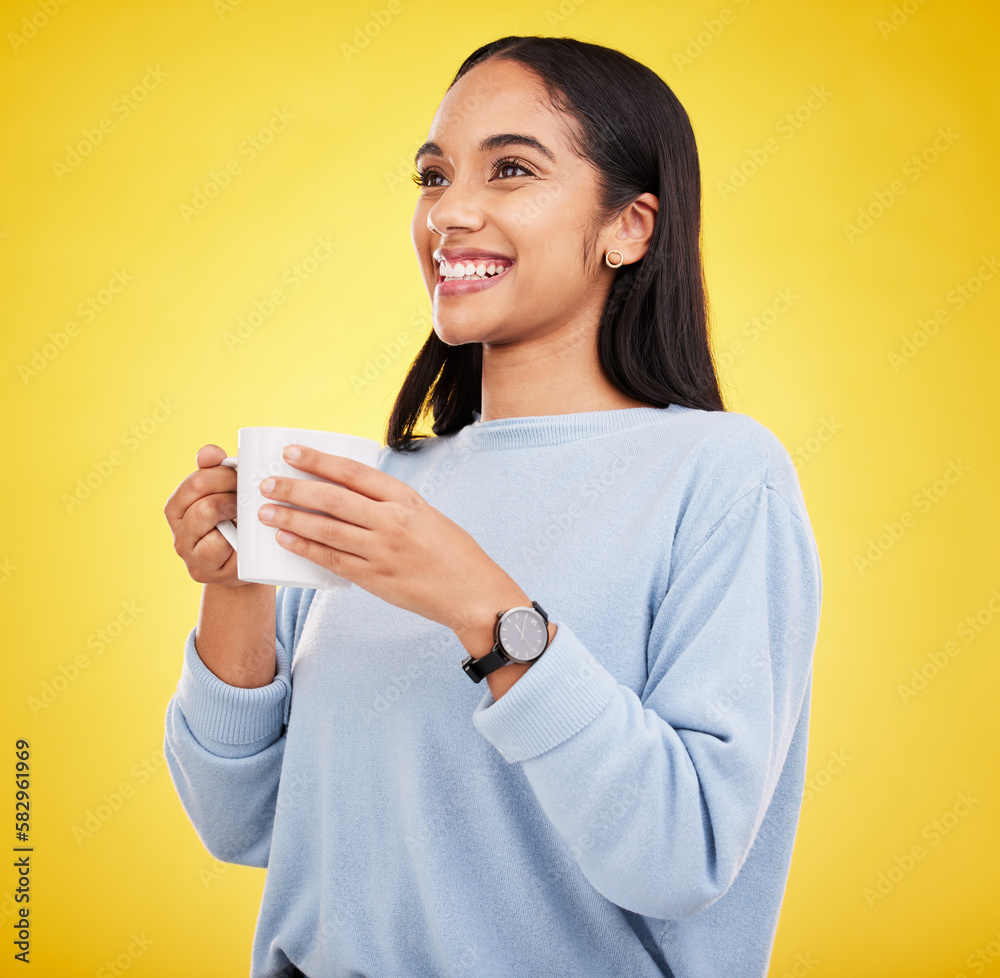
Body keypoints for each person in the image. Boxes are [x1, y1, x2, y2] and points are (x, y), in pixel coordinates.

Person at [162, 35, 823, 978]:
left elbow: (685, 851)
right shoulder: (387, 487)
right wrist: (237, 591)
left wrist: (483, 607)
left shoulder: (719, 475)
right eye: (433, 176)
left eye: (510, 169)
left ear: (629, 227)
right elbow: (244, 823)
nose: (451, 213)